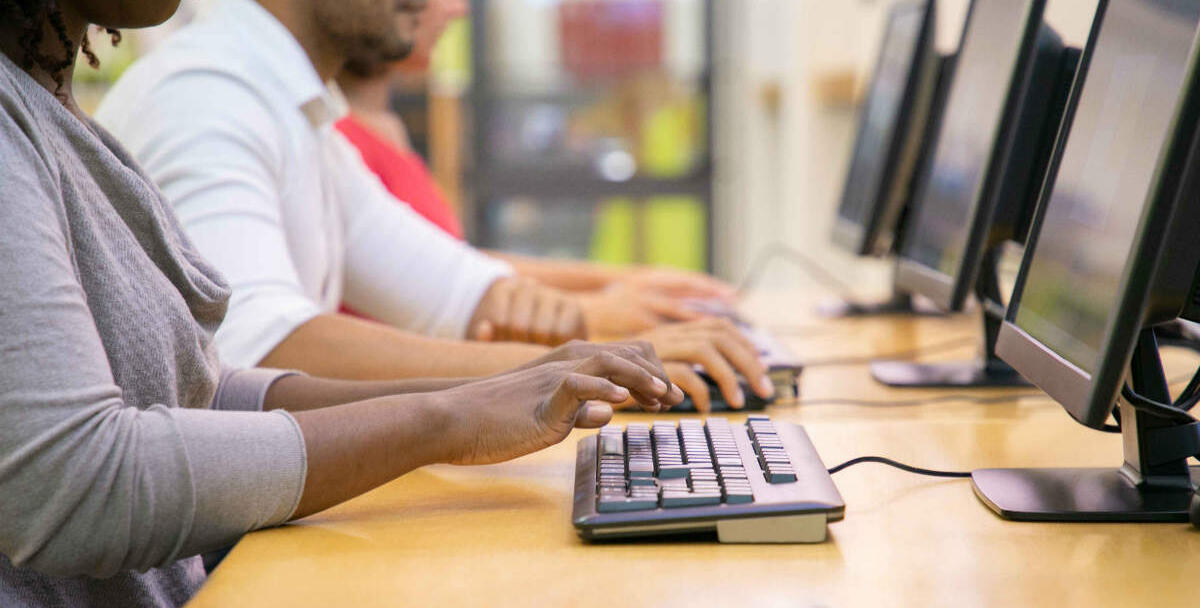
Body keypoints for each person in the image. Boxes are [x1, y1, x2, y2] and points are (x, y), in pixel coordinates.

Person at [0, 1, 682, 608]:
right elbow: (80, 479)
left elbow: (205, 389)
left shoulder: (54, 107)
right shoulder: (196, 95)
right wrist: (442, 417)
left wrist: (501, 387)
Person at [96, 0, 776, 412]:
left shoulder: (298, 117)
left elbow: (454, 287)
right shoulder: (204, 97)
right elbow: (258, 348)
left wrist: (601, 329)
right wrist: (574, 363)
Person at [335, 0, 737, 338]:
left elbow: (455, 271)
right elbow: (431, 295)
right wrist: (593, 312)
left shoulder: (378, 128)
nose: (458, 10)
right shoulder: (338, 139)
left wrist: (622, 283)